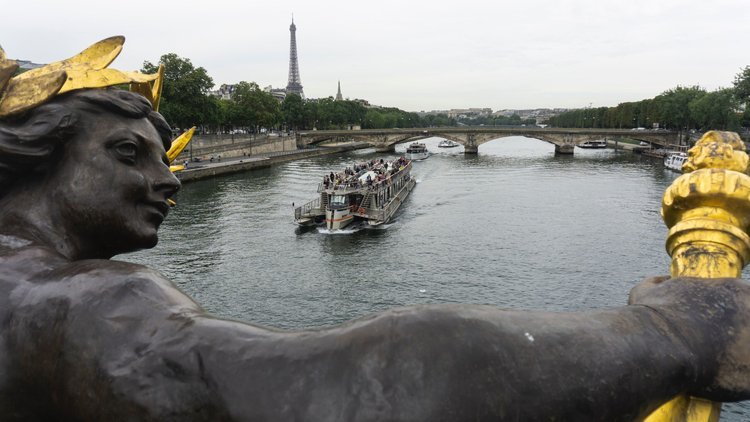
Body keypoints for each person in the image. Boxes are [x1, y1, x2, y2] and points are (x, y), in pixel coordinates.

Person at [2, 91, 750, 421]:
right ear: (33, 159)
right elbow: (375, 385)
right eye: (129, 153)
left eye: (166, 156)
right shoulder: (85, 306)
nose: (169, 180)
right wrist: (676, 335)